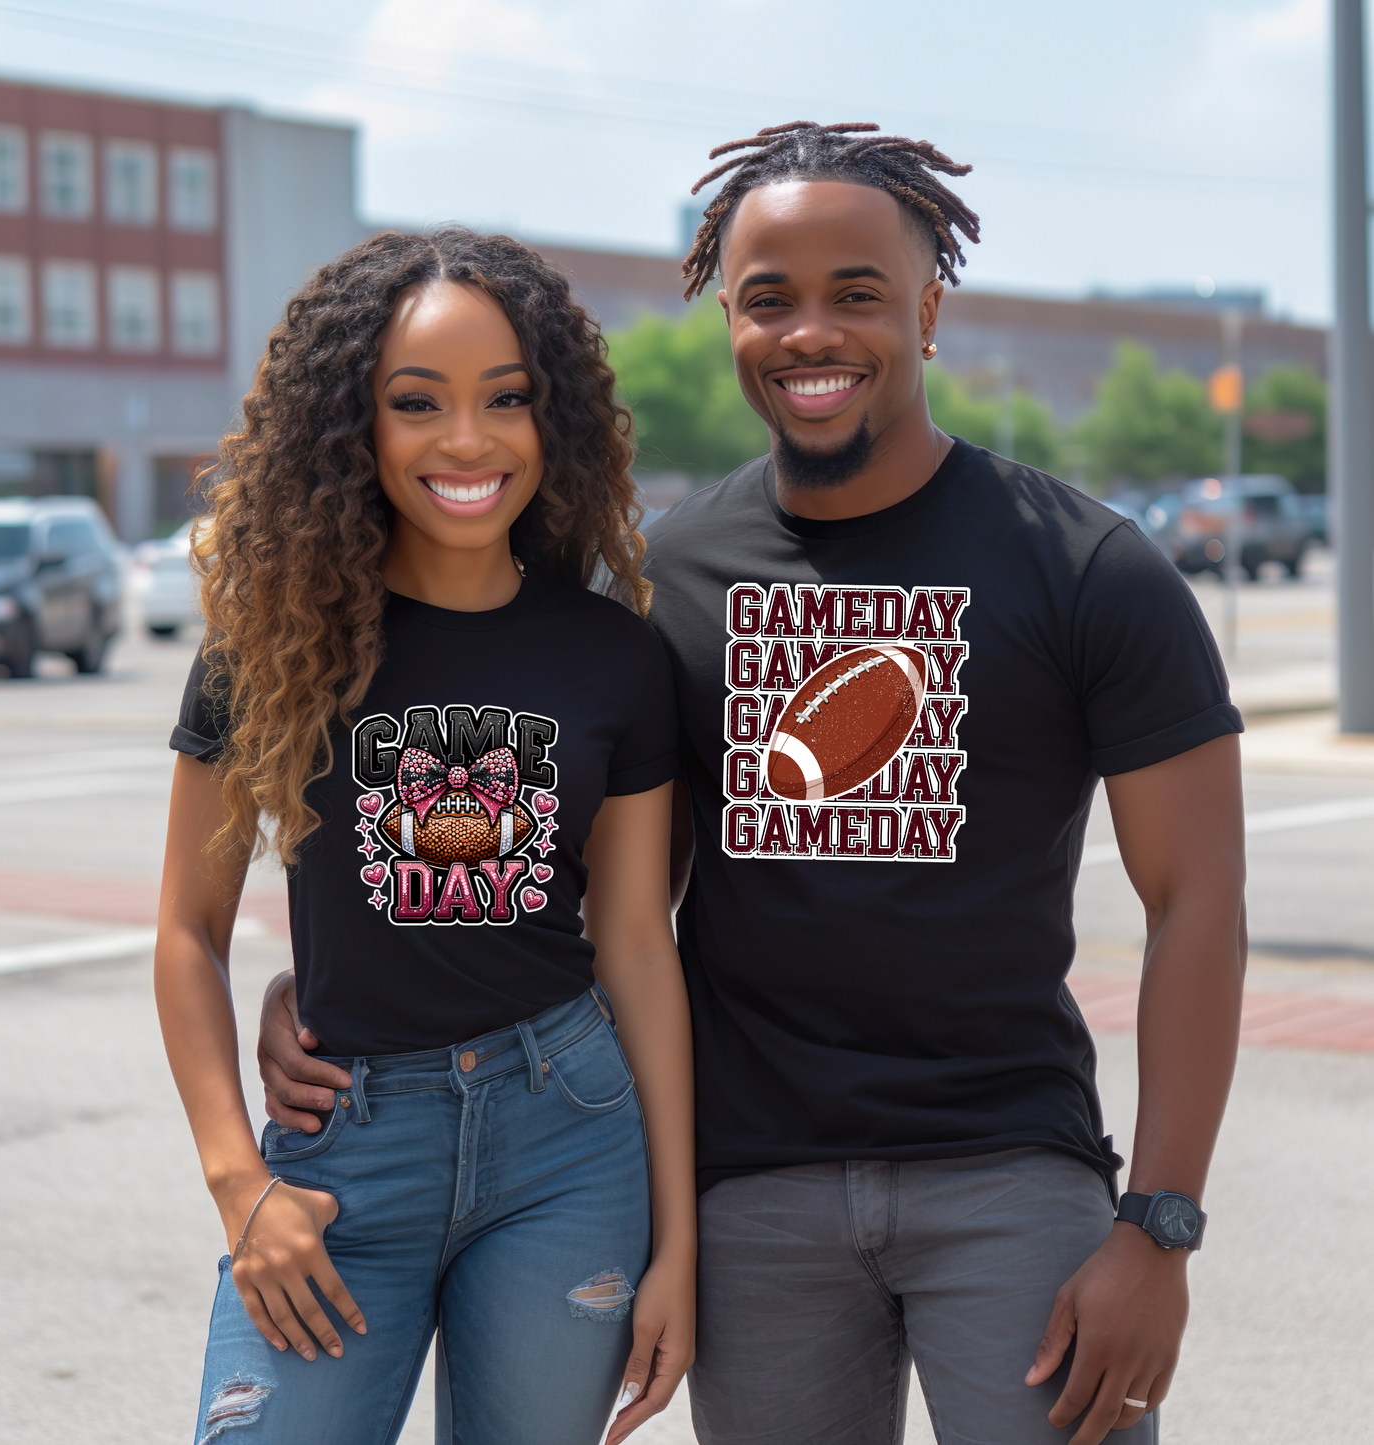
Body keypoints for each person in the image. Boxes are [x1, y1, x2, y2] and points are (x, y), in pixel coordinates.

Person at [259, 124, 1246, 1445]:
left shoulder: (1086, 569)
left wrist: (1160, 1229)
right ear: (726, 314)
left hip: (1008, 1173)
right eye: (768, 298)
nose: (809, 334)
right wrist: (330, 989)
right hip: (749, 1194)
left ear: (928, 309)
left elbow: (1199, 905)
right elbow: (590, 909)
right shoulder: (662, 585)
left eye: (857, 293)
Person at [155, 228, 695, 1445]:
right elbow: (187, 936)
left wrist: (679, 1242)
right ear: (350, 426)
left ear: (550, 421)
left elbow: (636, 951)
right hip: (343, 1149)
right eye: (417, 403)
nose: (467, 439)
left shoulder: (614, 656)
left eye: (506, 399)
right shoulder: (267, 646)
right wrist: (242, 1187)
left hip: (569, 1142)